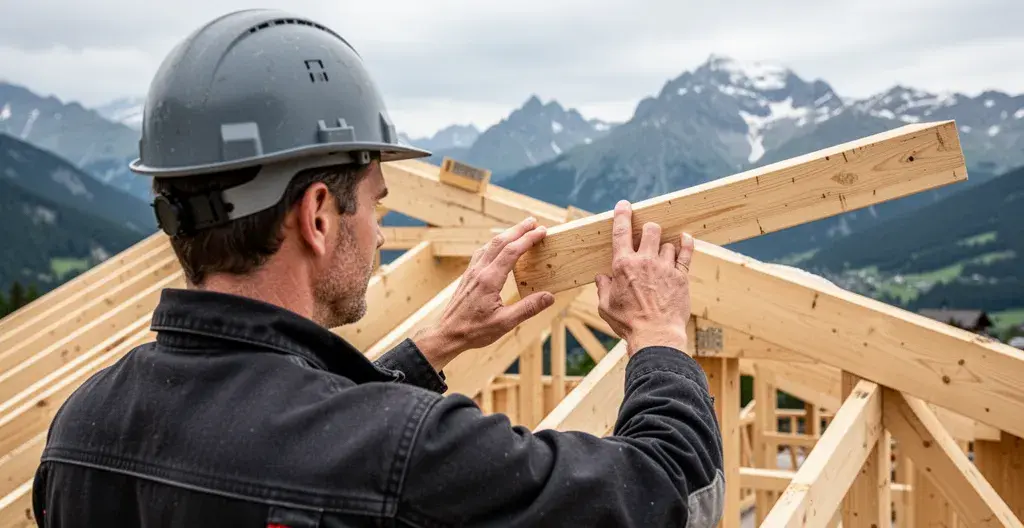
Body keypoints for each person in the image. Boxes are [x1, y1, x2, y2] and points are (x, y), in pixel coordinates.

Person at [32, 9, 724, 527]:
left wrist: (432, 346)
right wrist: (659, 335)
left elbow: (286, 435)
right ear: (318, 215)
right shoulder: (405, 445)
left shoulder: (81, 429)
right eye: (377, 207)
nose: (383, 237)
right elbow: (669, 499)